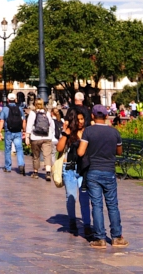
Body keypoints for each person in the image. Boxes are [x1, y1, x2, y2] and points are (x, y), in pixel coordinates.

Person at [77, 105, 126, 249]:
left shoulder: (88, 131)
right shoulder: (114, 132)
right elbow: (119, 151)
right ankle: (117, 237)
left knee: (97, 205)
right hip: (109, 171)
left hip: (93, 171)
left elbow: (80, 152)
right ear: (106, 116)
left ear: (92, 116)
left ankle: (100, 238)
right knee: (112, 204)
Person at [57, 107, 93, 237]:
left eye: (83, 119)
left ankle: (87, 225)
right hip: (70, 168)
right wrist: (65, 134)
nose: (81, 122)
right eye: (78, 120)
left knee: (84, 198)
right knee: (71, 197)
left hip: (83, 168)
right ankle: (72, 221)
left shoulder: (87, 132)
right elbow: (59, 148)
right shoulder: (69, 132)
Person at [25, 99, 54, 180]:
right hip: (47, 137)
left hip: (35, 137)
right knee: (47, 155)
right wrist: (51, 134)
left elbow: (29, 125)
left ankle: (35, 172)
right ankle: (48, 173)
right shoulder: (47, 113)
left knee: (36, 155)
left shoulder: (32, 113)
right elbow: (51, 124)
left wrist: (27, 136)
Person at [0, 92, 26, 174]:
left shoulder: (5, 109)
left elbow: (1, 120)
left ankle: (8, 167)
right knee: (19, 149)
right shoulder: (19, 108)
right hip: (17, 131)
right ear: (16, 100)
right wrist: (24, 130)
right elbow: (24, 120)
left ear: (8, 100)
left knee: (8, 149)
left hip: (8, 131)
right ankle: (21, 164)